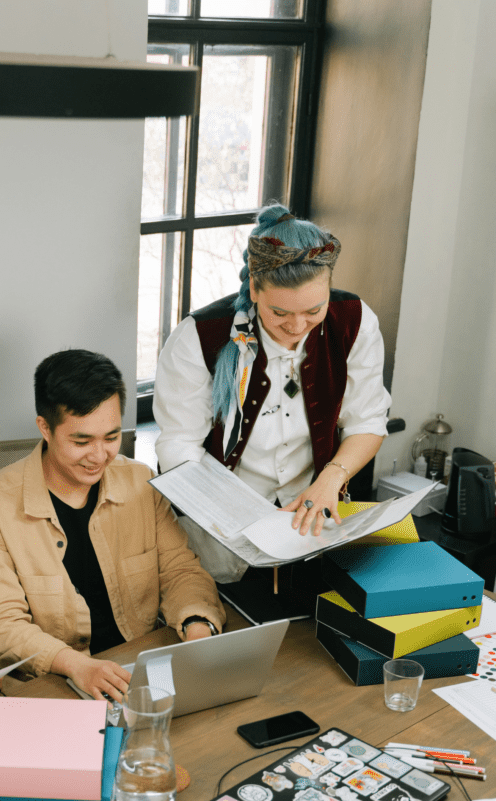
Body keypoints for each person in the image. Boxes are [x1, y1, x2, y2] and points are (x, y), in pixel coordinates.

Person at [0, 349, 225, 702]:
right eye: (81, 441)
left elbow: (181, 572)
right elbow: (1, 626)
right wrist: (76, 665)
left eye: (111, 437)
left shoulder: (140, 483)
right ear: (45, 428)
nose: (99, 456)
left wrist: (197, 629)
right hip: (53, 683)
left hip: (139, 668)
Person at [153, 204, 390, 579]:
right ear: (253, 288)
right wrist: (230, 513)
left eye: (314, 310)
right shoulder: (198, 337)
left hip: (313, 522)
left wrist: (330, 479)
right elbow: (178, 444)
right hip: (221, 533)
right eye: (279, 313)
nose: (297, 327)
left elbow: (368, 421)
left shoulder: (355, 321)